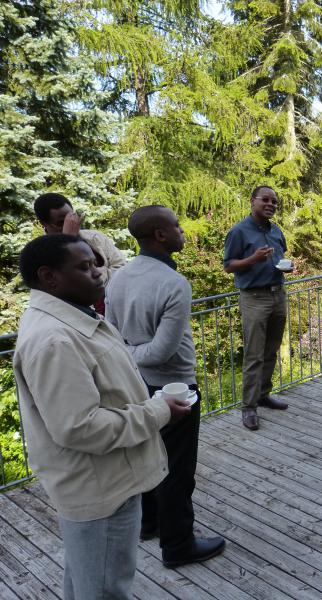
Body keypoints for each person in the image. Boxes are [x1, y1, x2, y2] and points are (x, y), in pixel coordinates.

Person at [13, 234, 190, 600]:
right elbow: (79, 427)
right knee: (106, 588)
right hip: (101, 487)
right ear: (49, 277)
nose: (98, 273)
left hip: (109, 477)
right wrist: (158, 411)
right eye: (84, 266)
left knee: (86, 580)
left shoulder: (77, 315)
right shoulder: (55, 340)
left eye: (95, 264)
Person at [105, 206, 226, 568]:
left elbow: (113, 337)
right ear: (160, 235)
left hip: (136, 383)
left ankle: (150, 524)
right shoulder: (174, 283)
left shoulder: (119, 279)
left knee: (147, 456)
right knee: (177, 468)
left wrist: (127, 354)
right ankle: (178, 546)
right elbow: (162, 350)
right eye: (176, 226)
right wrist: (136, 353)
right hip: (174, 387)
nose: (182, 231)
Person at [224, 186, 290, 431]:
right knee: (254, 354)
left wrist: (285, 267)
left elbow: (281, 256)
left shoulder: (276, 231)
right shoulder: (239, 231)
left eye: (274, 201)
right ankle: (248, 407)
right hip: (254, 298)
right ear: (253, 201)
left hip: (277, 294)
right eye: (266, 199)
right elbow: (229, 266)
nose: (271, 204)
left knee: (271, 350)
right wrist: (253, 259)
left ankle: (263, 394)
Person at [33, 192, 127, 313]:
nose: (70, 224)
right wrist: (68, 241)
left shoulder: (96, 238)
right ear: (44, 224)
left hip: (115, 310)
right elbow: (64, 286)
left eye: (71, 218)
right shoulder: (39, 253)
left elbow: (122, 269)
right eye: (61, 223)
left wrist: (95, 277)